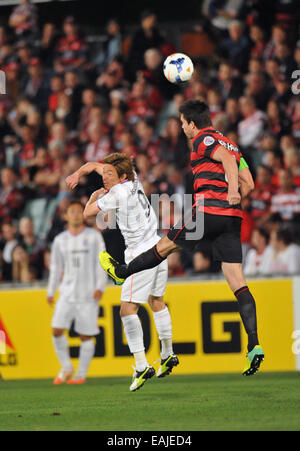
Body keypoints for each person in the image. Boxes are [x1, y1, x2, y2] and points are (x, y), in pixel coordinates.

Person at [99, 100, 264, 376]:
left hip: (207, 210)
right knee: (238, 283)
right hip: (232, 218)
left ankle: (121, 272)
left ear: (192, 123)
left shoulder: (203, 138)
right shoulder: (234, 145)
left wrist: (229, 192)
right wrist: (233, 199)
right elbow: (251, 183)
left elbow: (224, 161)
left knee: (162, 247)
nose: (182, 127)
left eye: (183, 122)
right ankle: (254, 345)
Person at [66, 153, 179, 392]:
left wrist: (94, 197)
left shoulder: (117, 194)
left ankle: (141, 365)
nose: (104, 177)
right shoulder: (133, 179)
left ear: (122, 176)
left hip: (141, 256)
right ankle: (168, 354)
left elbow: (87, 214)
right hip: (159, 247)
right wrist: (80, 172)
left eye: (109, 175)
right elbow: (94, 166)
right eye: (104, 173)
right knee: (157, 301)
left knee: (127, 309)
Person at [47, 200, 107, 385]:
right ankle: (67, 367)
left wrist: (100, 286)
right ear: (65, 216)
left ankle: (81, 374)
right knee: (57, 330)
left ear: (83, 214)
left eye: (78, 211)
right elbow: (56, 267)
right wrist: (51, 290)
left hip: (88, 293)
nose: (74, 214)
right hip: (66, 293)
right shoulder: (60, 240)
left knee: (85, 335)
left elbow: (102, 262)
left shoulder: (94, 236)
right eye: (71, 211)